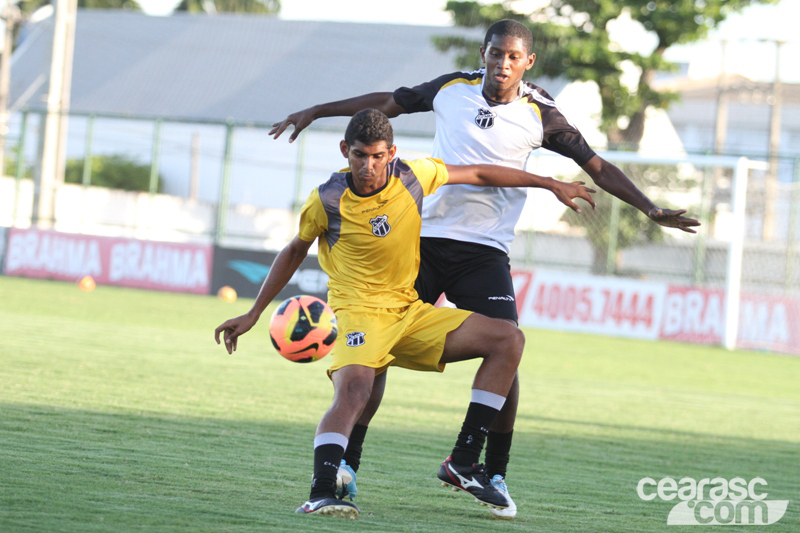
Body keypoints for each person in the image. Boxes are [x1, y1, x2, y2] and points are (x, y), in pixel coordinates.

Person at [268, 19, 700, 519]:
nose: (502, 64)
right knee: (375, 355)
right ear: (484, 52)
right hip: (425, 240)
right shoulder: (453, 89)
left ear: (528, 62)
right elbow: (385, 104)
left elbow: (597, 166)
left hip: (485, 251)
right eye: (496, 54)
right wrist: (319, 111)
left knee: (506, 347)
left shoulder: (542, 115)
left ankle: (481, 467)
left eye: (513, 57)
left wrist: (650, 208)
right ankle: (348, 467)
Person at [215, 109, 595, 519]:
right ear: (346, 151)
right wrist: (255, 312)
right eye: (359, 155)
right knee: (356, 394)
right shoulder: (326, 199)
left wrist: (549, 182)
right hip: (360, 314)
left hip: (410, 311)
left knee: (508, 339)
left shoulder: (413, 175)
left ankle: (464, 460)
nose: (368, 165)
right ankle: (322, 490)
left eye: (378, 156)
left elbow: (481, 174)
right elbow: (294, 249)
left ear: (391, 153)